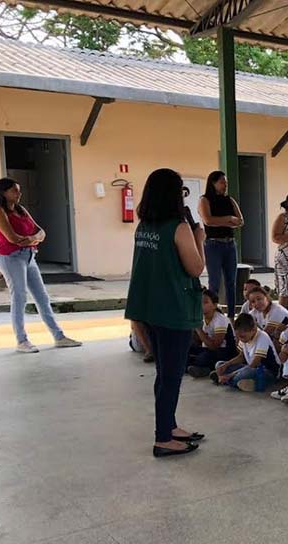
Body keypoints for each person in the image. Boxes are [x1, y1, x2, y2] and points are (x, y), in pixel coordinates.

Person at [123, 168, 204, 457]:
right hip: (173, 310)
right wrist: (200, 239)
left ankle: (169, 426)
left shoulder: (144, 227)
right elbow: (195, 268)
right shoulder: (179, 228)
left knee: (165, 373)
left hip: (148, 308)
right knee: (171, 375)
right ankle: (163, 438)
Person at [0, 177, 81, 353]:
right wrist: (33, 239)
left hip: (28, 257)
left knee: (42, 297)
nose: (19, 193)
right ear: (3, 192)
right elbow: (13, 239)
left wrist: (32, 239)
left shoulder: (21, 210)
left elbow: (41, 232)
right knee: (20, 297)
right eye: (14, 190)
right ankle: (21, 340)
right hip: (10, 258)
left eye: (19, 190)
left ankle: (59, 336)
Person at [198, 171, 244, 317]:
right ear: (213, 183)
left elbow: (240, 220)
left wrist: (226, 221)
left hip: (229, 244)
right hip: (213, 245)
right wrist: (229, 219)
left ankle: (231, 315)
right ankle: (212, 314)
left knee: (231, 282)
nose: (225, 185)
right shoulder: (204, 200)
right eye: (222, 182)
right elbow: (208, 220)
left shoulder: (229, 200)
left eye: (226, 183)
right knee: (215, 282)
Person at [213, 313, 281, 392]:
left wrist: (230, 375)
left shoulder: (262, 337)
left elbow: (253, 365)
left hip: (267, 371)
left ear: (253, 330)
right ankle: (235, 381)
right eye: (238, 336)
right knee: (220, 364)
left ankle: (227, 380)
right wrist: (226, 364)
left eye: (242, 337)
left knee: (245, 373)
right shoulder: (244, 337)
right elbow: (241, 357)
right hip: (250, 368)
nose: (240, 339)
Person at [187, 289, 236, 378]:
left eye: (205, 302)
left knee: (203, 358)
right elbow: (198, 341)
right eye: (199, 302)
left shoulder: (220, 319)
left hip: (224, 351)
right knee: (184, 351)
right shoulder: (201, 317)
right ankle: (200, 368)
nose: (200, 305)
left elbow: (214, 346)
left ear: (214, 305)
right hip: (207, 349)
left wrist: (198, 328)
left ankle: (205, 369)